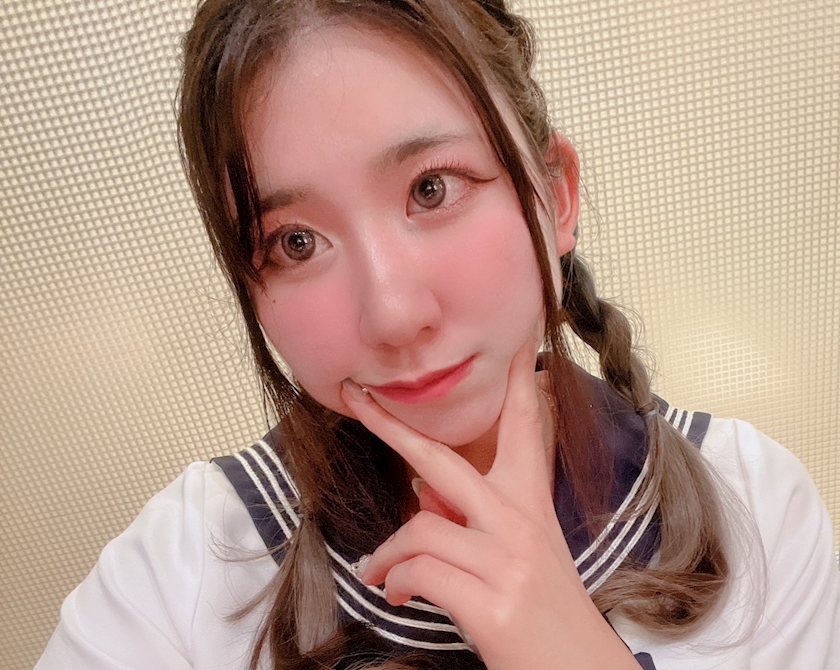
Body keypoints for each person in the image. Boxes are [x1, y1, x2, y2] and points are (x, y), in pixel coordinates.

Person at [36, 0, 839, 668]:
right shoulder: (186, 568)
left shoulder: (757, 512)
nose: (391, 314)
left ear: (555, 196)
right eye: (295, 242)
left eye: (431, 188)